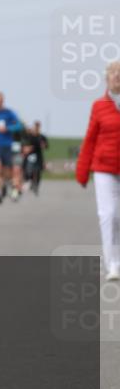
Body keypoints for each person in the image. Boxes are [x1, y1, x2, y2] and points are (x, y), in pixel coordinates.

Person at [76, 61, 120, 281]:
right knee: (108, 215)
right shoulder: (99, 106)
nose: (117, 76)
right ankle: (113, 264)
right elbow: (90, 139)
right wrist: (82, 171)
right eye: (113, 73)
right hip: (104, 167)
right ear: (107, 78)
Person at [22, 120, 49, 195]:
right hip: (29, 155)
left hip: (38, 156)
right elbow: (24, 144)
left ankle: (36, 186)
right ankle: (29, 182)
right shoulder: (29, 136)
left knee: (37, 171)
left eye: (38, 126)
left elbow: (46, 146)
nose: (36, 128)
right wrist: (26, 148)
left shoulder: (42, 137)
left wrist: (44, 145)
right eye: (35, 126)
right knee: (28, 170)